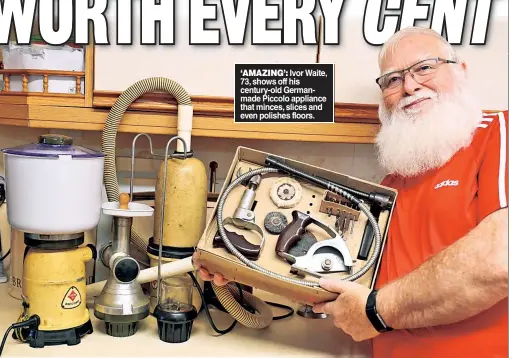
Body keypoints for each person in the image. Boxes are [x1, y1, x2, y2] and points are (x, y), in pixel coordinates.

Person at [198, 27, 508, 358]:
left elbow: (499, 260)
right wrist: (243, 269)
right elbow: (351, 290)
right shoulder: (390, 188)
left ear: (460, 70)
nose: (410, 86)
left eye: (425, 67)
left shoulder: (501, 134)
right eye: (392, 80)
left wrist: (376, 310)